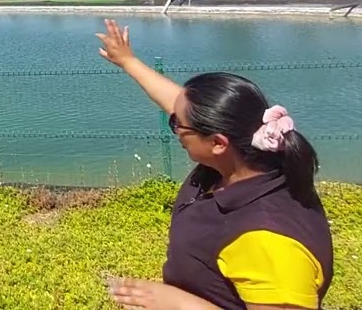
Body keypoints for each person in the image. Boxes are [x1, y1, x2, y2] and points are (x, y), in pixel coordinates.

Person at [95, 19, 333, 310]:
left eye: (178, 125)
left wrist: (178, 303)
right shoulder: (246, 158)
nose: (175, 130)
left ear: (218, 142)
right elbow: (181, 106)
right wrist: (128, 61)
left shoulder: (269, 239)